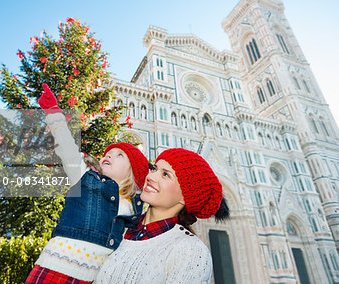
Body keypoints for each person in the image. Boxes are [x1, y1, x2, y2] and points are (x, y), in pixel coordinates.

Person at [25, 84, 149, 283]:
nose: (109, 155)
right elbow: (66, 146)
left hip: (93, 279)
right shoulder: (85, 178)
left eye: (119, 155)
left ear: (133, 174)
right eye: (108, 153)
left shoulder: (135, 208)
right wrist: (53, 112)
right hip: (54, 269)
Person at [94, 148, 230, 284]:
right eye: (154, 169)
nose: (150, 177)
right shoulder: (119, 225)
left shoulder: (191, 251)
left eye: (166, 175)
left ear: (186, 197)